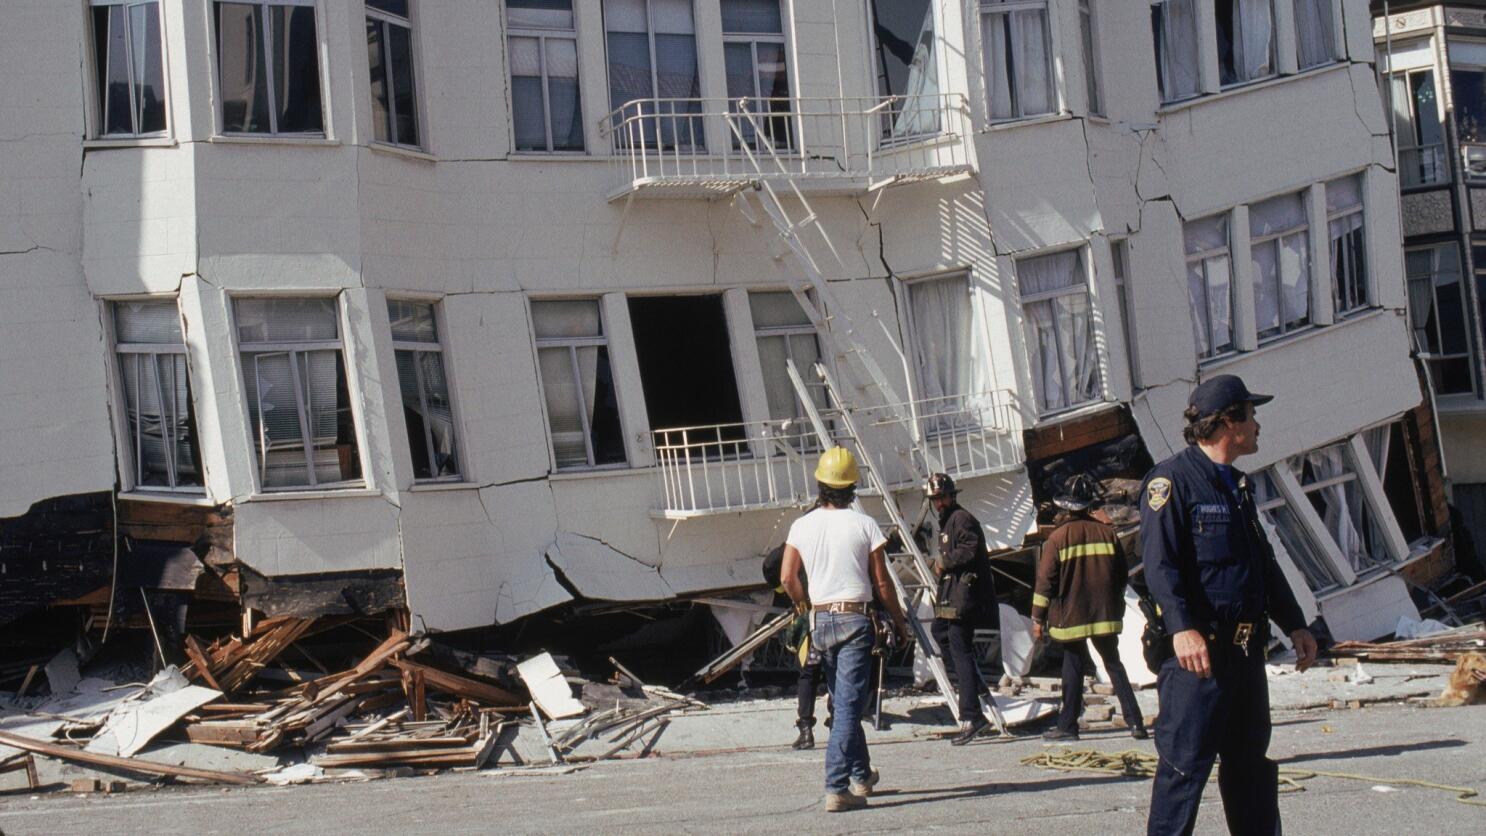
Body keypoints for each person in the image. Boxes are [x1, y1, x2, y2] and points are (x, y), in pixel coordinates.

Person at [1140, 375, 1318, 836]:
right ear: (1228, 422)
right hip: (1199, 659)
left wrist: (1295, 624)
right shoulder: (1171, 481)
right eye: (1251, 415)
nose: (1258, 424)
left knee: (1250, 768)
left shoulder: (1236, 485)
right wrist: (1181, 627)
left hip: (1244, 655)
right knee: (1183, 772)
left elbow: (1262, 563)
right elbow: (1160, 565)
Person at [780, 446, 909, 813]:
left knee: (843, 701)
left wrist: (805, 606)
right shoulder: (864, 525)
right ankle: (836, 787)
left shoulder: (801, 526)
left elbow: (787, 577)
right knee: (850, 708)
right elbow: (882, 584)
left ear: (821, 484)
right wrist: (899, 623)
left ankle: (861, 775)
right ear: (852, 487)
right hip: (855, 620)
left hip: (821, 621)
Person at [1031, 473, 1147, 742]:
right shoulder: (1108, 534)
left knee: (1072, 669)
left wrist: (1037, 618)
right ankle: (1136, 723)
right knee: (1114, 666)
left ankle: (1068, 726)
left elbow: (1044, 583)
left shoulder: (1057, 539)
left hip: (1071, 618)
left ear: (1065, 506)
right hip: (1105, 616)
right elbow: (1121, 576)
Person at [923, 473, 997, 745]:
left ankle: (972, 715)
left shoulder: (961, 518)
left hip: (966, 597)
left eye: (942, 497)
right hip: (954, 596)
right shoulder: (948, 522)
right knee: (939, 631)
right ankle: (970, 684)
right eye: (935, 499)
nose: (939, 503)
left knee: (959, 648)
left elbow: (970, 549)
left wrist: (944, 561)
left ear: (952, 496)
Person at [763, 543, 827, 750]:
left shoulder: (801, 532)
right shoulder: (835, 532)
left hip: (809, 613)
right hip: (833, 611)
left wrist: (791, 595)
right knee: (836, 670)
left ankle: (806, 731)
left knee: (808, 673)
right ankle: (837, 724)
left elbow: (771, 566)